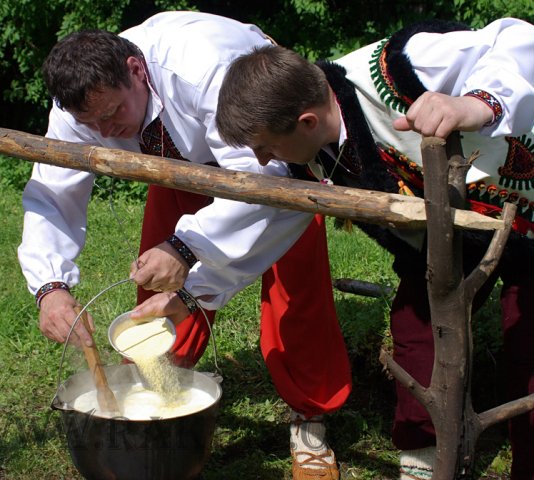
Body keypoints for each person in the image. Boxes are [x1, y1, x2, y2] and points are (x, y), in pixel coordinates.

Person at [18, 11, 350, 479]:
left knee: (296, 291)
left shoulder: (204, 67)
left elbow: (263, 176)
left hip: (267, 160)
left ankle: (310, 417)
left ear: (136, 71)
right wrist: (50, 285)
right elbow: (54, 190)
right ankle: (161, 393)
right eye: (92, 124)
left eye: (114, 114)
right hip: (175, 163)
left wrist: (186, 247)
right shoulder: (81, 104)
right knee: (157, 297)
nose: (106, 131)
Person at [213, 17, 534, 480]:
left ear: (305, 121)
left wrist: (475, 103)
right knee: (418, 329)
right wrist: (189, 269)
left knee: (529, 349)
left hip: (529, 214)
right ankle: (425, 457)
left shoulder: (400, 66)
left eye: (265, 147)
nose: (262, 160)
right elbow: (258, 220)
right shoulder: (309, 149)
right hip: (454, 242)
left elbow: (519, 37)